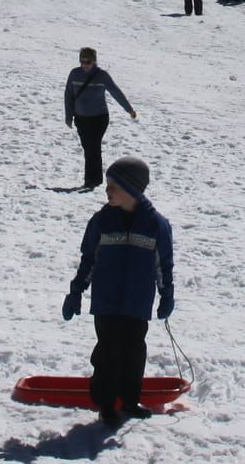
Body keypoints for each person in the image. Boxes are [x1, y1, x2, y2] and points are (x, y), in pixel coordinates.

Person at [61, 158, 174, 427]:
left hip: (137, 302)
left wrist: (166, 293)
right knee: (108, 353)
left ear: (132, 189)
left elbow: (163, 264)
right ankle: (107, 404)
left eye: (113, 186)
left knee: (134, 352)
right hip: (107, 302)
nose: (107, 191)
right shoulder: (101, 222)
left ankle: (130, 400)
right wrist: (76, 291)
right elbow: (89, 259)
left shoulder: (156, 225)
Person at [66, 48, 137, 190]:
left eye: (88, 61)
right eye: (82, 61)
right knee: (88, 148)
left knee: (93, 146)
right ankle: (93, 179)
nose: (85, 64)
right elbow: (68, 95)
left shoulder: (102, 76)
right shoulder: (74, 74)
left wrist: (129, 109)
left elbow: (116, 92)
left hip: (99, 118)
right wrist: (68, 115)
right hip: (81, 118)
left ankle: (92, 180)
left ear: (94, 61)